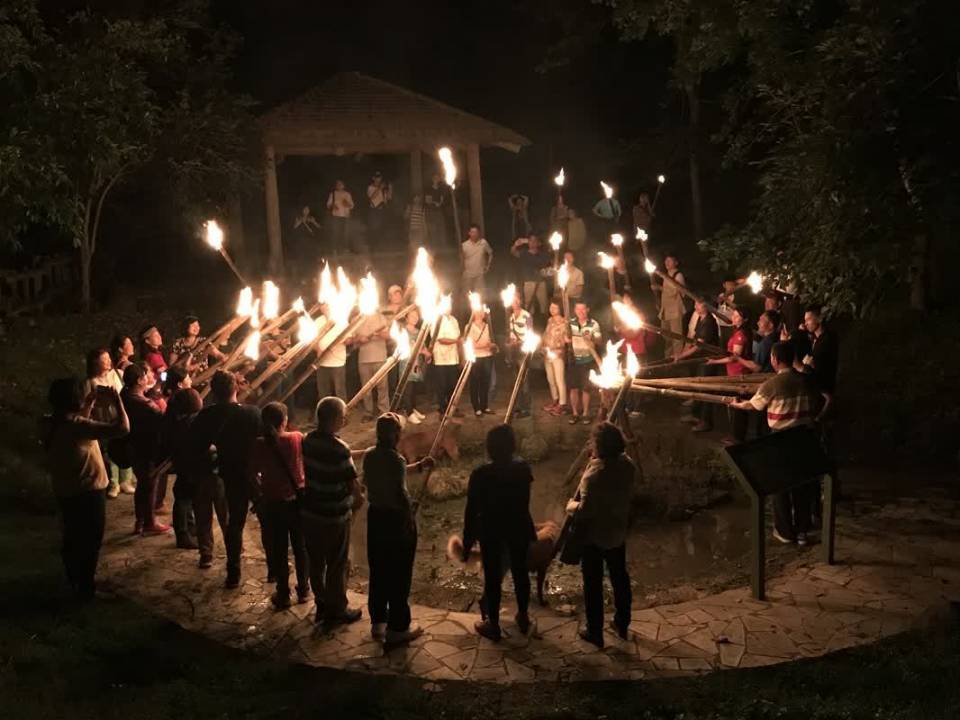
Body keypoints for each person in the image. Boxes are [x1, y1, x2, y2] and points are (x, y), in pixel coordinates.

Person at [729, 342, 831, 545]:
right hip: (804, 437)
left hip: (781, 438)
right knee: (801, 484)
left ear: (774, 359)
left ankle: (785, 531)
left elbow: (754, 405)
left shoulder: (772, 384)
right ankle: (802, 531)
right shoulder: (806, 380)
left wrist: (736, 405)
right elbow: (822, 399)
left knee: (780, 486)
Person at [44, 378, 129, 600]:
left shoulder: (49, 422)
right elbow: (122, 428)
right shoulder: (77, 427)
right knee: (90, 540)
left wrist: (88, 404)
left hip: (65, 488)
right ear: (75, 398)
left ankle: (74, 580)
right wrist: (117, 401)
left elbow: (79, 421)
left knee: (72, 537)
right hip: (88, 491)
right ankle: (86, 589)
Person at [361, 413, 434, 643]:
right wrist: (409, 516)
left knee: (379, 569)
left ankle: (378, 621)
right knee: (399, 572)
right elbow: (400, 490)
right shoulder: (395, 459)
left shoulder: (369, 455)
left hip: (376, 517)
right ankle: (398, 627)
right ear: (395, 435)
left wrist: (420, 466)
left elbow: (389, 475)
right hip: (394, 519)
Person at [460, 424, 535, 641]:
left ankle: (493, 623)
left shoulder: (481, 474)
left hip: (492, 530)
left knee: (493, 578)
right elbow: (524, 502)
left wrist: (468, 539)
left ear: (489, 448)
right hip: (518, 526)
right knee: (521, 573)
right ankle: (523, 615)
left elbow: (471, 509)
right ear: (513, 446)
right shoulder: (522, 469)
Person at [565, 422, 635, 647]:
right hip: (618, 531)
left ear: (599, 445)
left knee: (593, 582)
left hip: (595, 536)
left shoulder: (593, 475)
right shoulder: (628, 465)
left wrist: (571, 507)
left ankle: (595, 630)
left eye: (593, 441)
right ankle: (622, 622)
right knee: (619, 577)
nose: (590, 444)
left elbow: (586, 511)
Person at [190, 370, 261, 586]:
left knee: (234, 524)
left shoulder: (205, 416)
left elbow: (196, 446)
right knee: (268, 521)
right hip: (252, 475)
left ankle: (233, 571)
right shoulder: (252, 413)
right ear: (235, 388)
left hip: (228, 474)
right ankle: (276, 573)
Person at [301, 396, 365, 626]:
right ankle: (338, 608)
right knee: (337, 563)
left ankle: (322, 603)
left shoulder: (307, 441)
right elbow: (352, 484)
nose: (345, 420)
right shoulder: (340, 449)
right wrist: (359, 500)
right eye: (343, 416)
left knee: (316, 562)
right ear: (336, 419)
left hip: (310, 513)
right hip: (334, 516)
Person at [249, 401, 310, 609]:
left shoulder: (258, 444)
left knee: (280, 549)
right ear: (285, 420)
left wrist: (261, 492)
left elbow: (252, 473)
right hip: (295, 502)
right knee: (300, 547)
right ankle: (303, 590)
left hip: (272, 504)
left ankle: (283, 593)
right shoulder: (296, 438)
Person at [120, 364, 169, 535]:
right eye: (146, 375)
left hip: (132, 445)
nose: (149, 377)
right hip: (146, 446)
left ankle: (140, 521)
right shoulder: (145, 404)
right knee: (149, 482)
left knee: (142, 483)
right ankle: (150, 522)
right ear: (140, 380)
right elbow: (163, 419)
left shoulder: (124, 395)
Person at [83, 347, 128, 498]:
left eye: (109, 358)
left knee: (124, 445)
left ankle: (126, 481)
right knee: (109, 450)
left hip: (119, 415)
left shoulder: (117, 374)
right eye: (105, 359)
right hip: (102, 418)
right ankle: (113, 483)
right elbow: (86, 401)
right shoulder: (90, 382)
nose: (109, 361)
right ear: (96, 363)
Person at [164, 387, 203, 550]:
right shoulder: (188, 423)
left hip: (184, 464)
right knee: (183, 499)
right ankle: (182, 534)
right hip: (187, 465)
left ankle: (190, 527)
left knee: (186, 497)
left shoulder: (180, 420)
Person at [707, 308, 752, 443]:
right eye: (733, 314)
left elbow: (734, 357)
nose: (733, 317)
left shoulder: (740, 335)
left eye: (737, 315)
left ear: (744, 320)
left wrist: (714, 361)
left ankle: (736, 437)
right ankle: (734, 435)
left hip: (739, 375)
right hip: (734, 374)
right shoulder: (737, 332)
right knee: (734, 405)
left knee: (737, 406)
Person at [676, 300, 720, 433]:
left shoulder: (709, 322)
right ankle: (695, 416)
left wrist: (682, 356)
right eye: (695, 303)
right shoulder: (701, 318)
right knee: (698, 387)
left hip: (708, 360)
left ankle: (705, 422)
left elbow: (698, 346)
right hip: (700, 360)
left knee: (705, 390)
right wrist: (682, 353)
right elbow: (694, 339)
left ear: (706, 306)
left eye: (698, 304)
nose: (695, 306)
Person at [350, 306, 390, 421]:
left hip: (380, 357)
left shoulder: (381, 318)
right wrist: (359, 339)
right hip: (364, 359)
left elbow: (388, 335)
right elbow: (351, 339)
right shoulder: (357, 319)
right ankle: (368, 412)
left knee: (382, 388)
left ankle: (384, 412)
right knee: (366, 389)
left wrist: (379, 334)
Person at [568, 301, 601, 425]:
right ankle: (575, 413)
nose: (580, 312)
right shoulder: (570, 323)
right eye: (578, 309)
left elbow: (599, 341)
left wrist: (591, 339)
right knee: (573, 388)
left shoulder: (593, 324)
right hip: (574, 360)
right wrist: (566, 338)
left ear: (588, 309)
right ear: (575, 310)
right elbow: (565, 337)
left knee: (586, 388)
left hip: (588, 360)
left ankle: (586, 413)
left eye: (583, 309)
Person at [397, 308, 428, 425]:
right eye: (412, 315)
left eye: (416, 316)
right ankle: (408, 412)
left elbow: (422, 346)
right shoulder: (403, 331)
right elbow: (406, 347)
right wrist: (420, 350)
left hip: (417, 363)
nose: (415, 318)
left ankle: (413, 409)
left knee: (414, 388)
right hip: (407, 362)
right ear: (407, 317)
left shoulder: (419, 331)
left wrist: (425, 352)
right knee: (407, 388)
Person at [505, 294, 532, 419]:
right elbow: (511, 333)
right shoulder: (511, 317)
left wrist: (520, 342)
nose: (514, 303)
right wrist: (510, 343)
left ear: (520, 301)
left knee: (524, 379)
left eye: (516, 300)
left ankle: (526, 408)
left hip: (523, 350)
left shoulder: (526, 315)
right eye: (512, 301)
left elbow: (530, 334)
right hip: (514, 351)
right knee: (515, 379)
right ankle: (518, 405)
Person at [464, 307, 495, 416]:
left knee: (485, 382)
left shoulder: (487, 326)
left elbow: (491, 340)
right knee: (475, 382)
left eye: (482, 311)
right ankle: (476, 407)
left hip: (487, 356)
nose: (481, 313)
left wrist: (491, 345)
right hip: (475, 357)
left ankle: (484, 405)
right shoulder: (469, 327)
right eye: (479, 311)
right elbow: (470, 344)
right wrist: (484, 345)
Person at [431, 304, 461, 415]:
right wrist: (456, 342)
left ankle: (452, 407)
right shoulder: (437, 320)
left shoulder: (454, 320)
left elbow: (458, 336)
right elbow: (440, 339)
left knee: (453, 384)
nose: (448, 308)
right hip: (441, 358)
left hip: (453, 357)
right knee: (442, 385)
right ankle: (442, 408)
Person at [316, 303, 349, 400]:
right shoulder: (318, 321)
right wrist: (318, 350)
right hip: (321, 362)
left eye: (327, 304)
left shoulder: (342, 320)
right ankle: (324, 413)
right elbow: (313, 341)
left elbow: (350, 339)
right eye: (323, 305)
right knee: (323, 392)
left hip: (338, 362)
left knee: (340, 391)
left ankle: (342, 414)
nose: (325, 307)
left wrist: (343, 340)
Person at [657, 254, 687, 358]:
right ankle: (668, 357)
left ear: (676, 262)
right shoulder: (666, 274)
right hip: (665, 309)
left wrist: (660, 288)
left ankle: (677, 357)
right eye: (666, 261)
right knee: (666, 335)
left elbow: (676, 291)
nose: (667, 263)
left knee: (676, 335)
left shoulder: (678, 275)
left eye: (669, 261)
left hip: (675, 310)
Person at [511, 235, 549, 316]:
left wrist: (545, 272)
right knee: (529, 305)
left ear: (538, 243)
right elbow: (513, 252)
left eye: (535, 241)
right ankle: (529, 323)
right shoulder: (524, 253)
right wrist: (516, 245)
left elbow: (547, 267)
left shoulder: (542, 254)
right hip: (529, 281)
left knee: (544, 304)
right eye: (530, 241)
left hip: (541, 282)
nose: (532, 243)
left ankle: (544, 321)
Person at [543, 301, 569, 416]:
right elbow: (546, 334)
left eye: (555, 307)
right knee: (550, 378)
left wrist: (563, 347)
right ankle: (555, 399)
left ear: (560, 308)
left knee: (559, 379)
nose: (552, 309)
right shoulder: (550, 321)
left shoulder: (565, 322)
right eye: (551, 306)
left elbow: (567, 339)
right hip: (547, 353)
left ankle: (562, 404)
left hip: (558, 354)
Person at [741, 310, 781, 374]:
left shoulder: (766, 343)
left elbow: (757, 367)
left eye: (761, 320)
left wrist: (738, 359)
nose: (758, 323)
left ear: (771, 325)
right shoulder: (779, 337)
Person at [461, 224, 493, 295]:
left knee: (480, 296)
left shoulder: (483, 243)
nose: (474, 234)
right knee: (467, 296)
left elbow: (490, 253)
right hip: (468, 275)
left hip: (479, 275)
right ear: (469, 233)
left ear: (479, 233)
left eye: (476, 232)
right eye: (472, 232)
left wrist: (488, 266)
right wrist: (462, 271)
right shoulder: (464, 245)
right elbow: (461, 259)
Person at [326, 179, 354, 254]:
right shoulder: (333, 194)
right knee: (336, 233)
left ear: (343, 185)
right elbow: (328, 205)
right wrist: (333, 206)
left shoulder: (347, 194)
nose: (339, 186)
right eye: (337, 184)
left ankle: (345, 249)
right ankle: (334, 249)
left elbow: (352, 206)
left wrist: (347, 203)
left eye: (340, 184)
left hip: (345, 216)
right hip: (336, 216)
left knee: (345, 233)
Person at [423, 173, 448, 248]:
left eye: (438, 178)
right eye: (435, 178)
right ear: (432, 179)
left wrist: (439, 203)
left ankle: (442, 247)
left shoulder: (441, 189)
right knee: (432, 229)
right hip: (431, 211)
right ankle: (433, 246)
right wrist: (435, 203)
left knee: (441, 228)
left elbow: (441, 200)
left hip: (439, 211)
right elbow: (427, 200)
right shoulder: (428, 189)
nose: (436, 179)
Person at [366, 171, 392, 239]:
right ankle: (373, 244)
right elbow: (371, 197)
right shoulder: (370, 187)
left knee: (382, 228)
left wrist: (390, 189)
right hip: (374, 210)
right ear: (373, 178)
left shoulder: (383, 188)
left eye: (380, 177)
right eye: (377, 177)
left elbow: (388, 198)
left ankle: (379, 244)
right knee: (373, 228)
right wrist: (379, 188)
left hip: (382, 210)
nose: (379, 179)